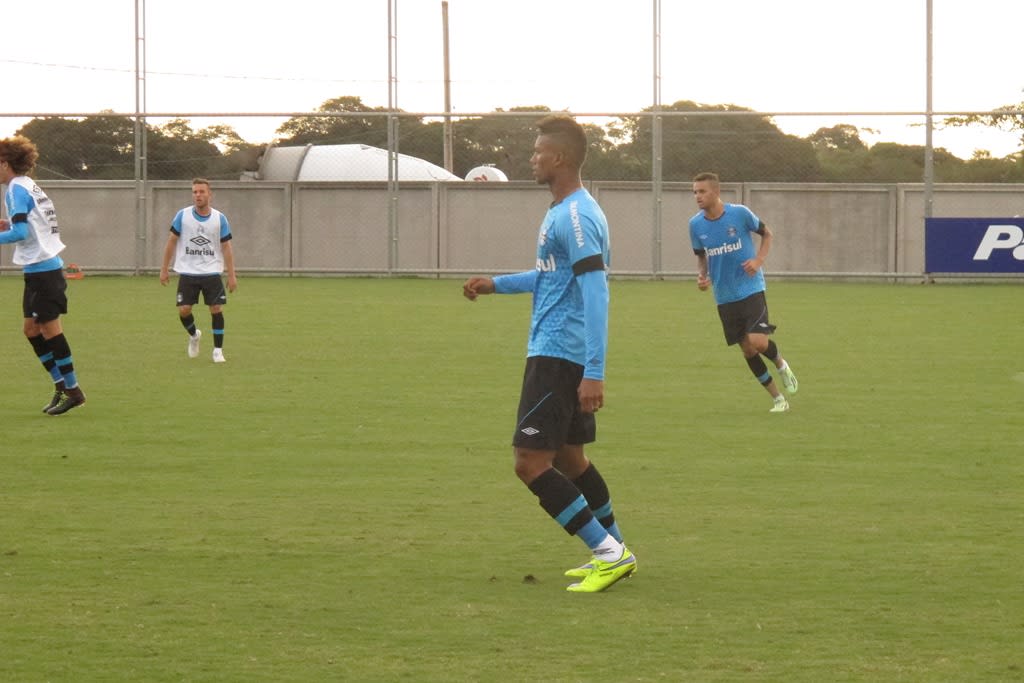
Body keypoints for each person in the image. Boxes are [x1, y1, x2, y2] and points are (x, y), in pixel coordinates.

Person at [462, 115, 636, 593]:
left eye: (538, 151)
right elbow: (552, 277)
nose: (532, 158)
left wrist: (595, 372)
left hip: (559, 355)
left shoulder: (577, 216)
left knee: (529, 462)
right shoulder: (563, 210)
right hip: (560, 353)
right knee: (569, 459)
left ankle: (608, 553)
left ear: (559, 158)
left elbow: (596, 291)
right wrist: (497, 285)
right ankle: (617, 547)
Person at [689, 171, 798, 412]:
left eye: (702, 191)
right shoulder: (695, 225)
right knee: (747, 349)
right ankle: (778, 399)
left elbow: (767, 234)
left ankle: (780, 363)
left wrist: (759, 260)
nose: (697, 196)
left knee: (758, 342)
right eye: (695, 192)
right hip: (724, 296)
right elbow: (701, 257)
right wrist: (702, 275)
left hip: (751, 288)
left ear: (716, 192)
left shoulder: (740, 214)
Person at [0, 135, 86, 415]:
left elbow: (22, 232)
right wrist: (7, 225)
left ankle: (73, 391)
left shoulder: (15, 189)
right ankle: (61, 386)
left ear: (4, 164)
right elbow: (28, 225)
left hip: (45, 271)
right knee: (30, 330)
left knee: (50, 330)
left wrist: (7, 231)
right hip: (38, 270)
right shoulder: (27, 185)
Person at [160, 178, 237, 363]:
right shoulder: (182, 216)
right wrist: (164, 269)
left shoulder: (220, 218)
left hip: (211, 271)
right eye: (195, 192)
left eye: (202, 192)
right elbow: (171, 241)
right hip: (187, 271)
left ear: (210, 195)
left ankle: (218, 351)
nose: (198, 195)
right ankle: (194, 335)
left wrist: (232, 274)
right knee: (184, 310)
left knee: (216, 308)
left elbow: (226, 246)